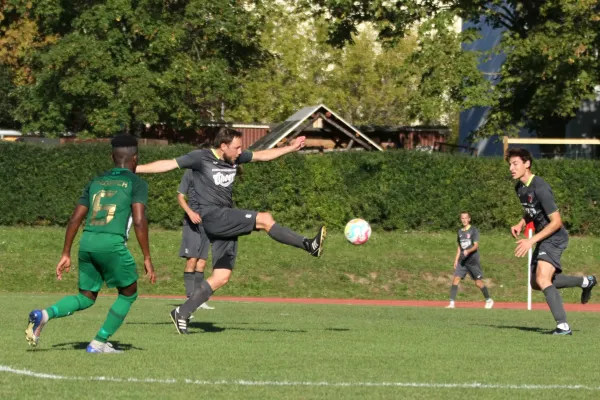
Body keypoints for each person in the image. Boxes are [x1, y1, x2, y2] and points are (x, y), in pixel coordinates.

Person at [136, 127, 325, 334]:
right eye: (236, 147)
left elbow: (262, 155)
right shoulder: (201, 157)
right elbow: (168, 164)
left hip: (224, 221)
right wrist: (134, 169)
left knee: (221, 276)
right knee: (264, 218)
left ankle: (182, 312)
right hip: (213, 217)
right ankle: (309, 245)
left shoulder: (235, 157)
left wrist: (290, 148)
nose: (240, 151)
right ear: (223, 146)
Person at [25, 135, 156, 352]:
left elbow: (75, 218)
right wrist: (148, 257)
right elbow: (140, 220)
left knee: (86, 297)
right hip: (111, 244)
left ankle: (44, 315)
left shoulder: (95, 181)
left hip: (87, 242)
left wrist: (66, 252)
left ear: (112, 156)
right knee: (129, 292)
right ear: (135, 159)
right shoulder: (137, 182)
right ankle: (99, 342)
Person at [507, 147, 596, 335]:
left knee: (542, 278)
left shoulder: (540, 187)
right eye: (510, 164)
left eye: (515, 164)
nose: (511, 168)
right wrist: (521, 223)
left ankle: (563, 326)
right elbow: (532, 209)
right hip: (545, 236)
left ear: (527, 164)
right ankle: (585, 282)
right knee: (536, 283)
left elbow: (556, 222)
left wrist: (531, 242)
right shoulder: (520, 188)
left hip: (555, 236)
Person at [177, 169, 213, 310]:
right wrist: (190, 213)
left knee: (202, 262)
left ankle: (199, 300)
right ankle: (189, 298)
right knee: (192, 259)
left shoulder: (212, 173)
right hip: (191, 223)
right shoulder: (190, 173)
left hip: (207, 223)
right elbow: (180, 196)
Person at [446, 212, 494, 309]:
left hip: (473, 261)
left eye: (466, 218)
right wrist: (456, 260)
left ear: (469, 219)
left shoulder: (473, 230)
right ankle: (451, 303)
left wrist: (468, 250)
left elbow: (476, 246)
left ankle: (489, 300)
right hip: (462, 261)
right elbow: (459, 247)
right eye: (462, 218)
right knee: (456, 279)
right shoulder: (459, 231)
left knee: (478, 283)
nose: (464, 220)